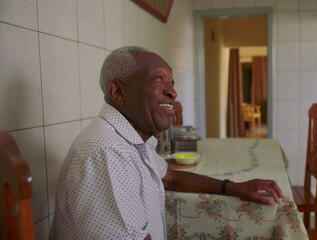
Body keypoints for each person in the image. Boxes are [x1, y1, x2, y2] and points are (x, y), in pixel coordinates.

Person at [54, 46, 283, 240]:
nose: (173, 92)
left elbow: (171, 177)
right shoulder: (107, 152)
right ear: (118, 91)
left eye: (171, 82)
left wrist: (233, 187)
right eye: (158, 78)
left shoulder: (131, 140)